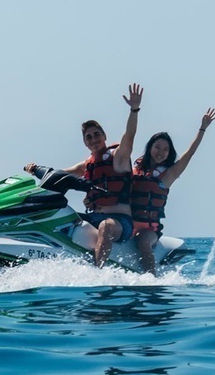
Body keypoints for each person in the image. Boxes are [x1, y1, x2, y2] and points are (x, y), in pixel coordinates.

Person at [25, 83, 143, 268]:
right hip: (93, 217)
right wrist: (34, 170)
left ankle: (98, 272)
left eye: (97, 135)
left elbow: (130, 135)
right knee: (56, 217)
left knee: (107, 226)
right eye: (89, 137)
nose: (93, 139)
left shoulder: (118, 157)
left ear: (104, 136)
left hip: (121, 222)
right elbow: (59, 174)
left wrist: (134, 109)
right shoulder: (86, 165)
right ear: (85, 142)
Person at [131, 108, 215, 274]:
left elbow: (189, 154)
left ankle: (150, 280)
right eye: (157, 147)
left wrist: (202, 129)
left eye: (165, 149)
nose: (161, 152)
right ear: (149, 148)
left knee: (143, 241)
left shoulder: (167, 175)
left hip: (149, 230)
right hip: (128, 224)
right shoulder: (135, 170)